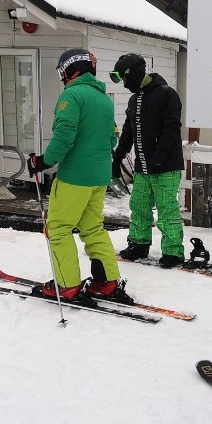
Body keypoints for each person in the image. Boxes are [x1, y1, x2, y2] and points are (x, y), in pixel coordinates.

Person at [26, 48, 131, 306]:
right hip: (99, 176)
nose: (62, 77)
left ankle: (67, 285)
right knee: (92, 228)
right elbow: (111, 138)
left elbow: (64, 136)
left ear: (70, 70)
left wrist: (43, 161)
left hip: (74, 176)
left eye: (63, 72)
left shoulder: (71, 97)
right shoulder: (103, 98)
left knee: (58, 229)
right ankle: (107, 282)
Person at [110, 53, 186, 268]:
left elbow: (172, 129)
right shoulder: (135, 100)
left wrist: (159, 157)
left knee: (166, 209)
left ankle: (173, 252)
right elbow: (128, 131)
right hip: (143, 168)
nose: (124, 85)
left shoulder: (167, 94)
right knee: (139, 206)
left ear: (133, 74)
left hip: (166, 167)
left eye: (124, 79)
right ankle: (138, 244)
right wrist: (117, 158)